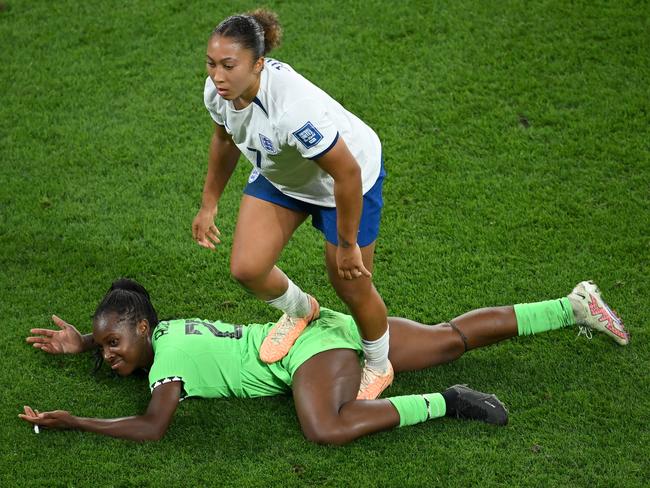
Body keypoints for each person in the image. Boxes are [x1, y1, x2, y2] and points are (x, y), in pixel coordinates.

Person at [20, 279, 628, 443]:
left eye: (111, 344)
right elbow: (123, 335)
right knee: (447, 337)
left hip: (310, 353)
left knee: (325, 426)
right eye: (103, 348)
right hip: (323, 327)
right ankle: (570, 307)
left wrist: (73, 419)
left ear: (143, 330)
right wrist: (83, 347)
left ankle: (450, 402)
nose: (109, 355)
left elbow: (153, 427)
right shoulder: (169, 330)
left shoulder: (165, 367)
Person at [190, 9, 392, 399]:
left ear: (258, 64)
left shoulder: (292, 110)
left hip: (349, 179)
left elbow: (345, 174)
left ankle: (380, 364)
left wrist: (348, 246)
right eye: (212, 64)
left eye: (229, 66)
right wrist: (209, 203)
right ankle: (301, 310)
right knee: (247, 267)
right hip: (284, 173)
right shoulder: (218, 92)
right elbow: (225, 139)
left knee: (349, 282)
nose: (218, 76)